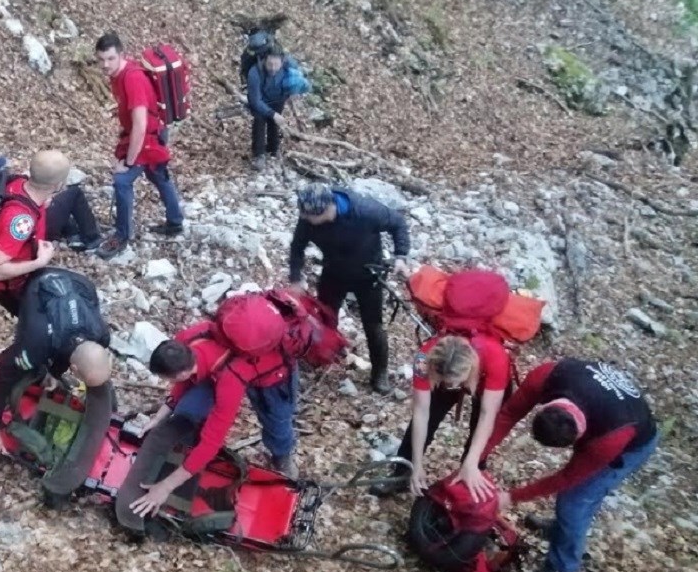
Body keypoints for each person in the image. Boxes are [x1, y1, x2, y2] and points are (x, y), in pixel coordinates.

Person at [471, 359, 658, 572]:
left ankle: (563, 569)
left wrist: (510, 496)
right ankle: (561, 529)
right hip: (605, 410)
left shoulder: (607, 441)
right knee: (571, 504)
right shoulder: (547, 377)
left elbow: (566, 478)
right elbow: (508, 415)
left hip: (633, 442)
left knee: (575, 501)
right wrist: (476, 459)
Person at [122, 320, 300, 523]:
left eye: (169, 379)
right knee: (188, 410)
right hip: (219, 365)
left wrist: (165, 487)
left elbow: (212, 443)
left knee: (276, 423)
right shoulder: (183, 342)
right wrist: (161, 414)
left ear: (182, 371)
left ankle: (283, 454)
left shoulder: (230, 382)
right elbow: (184, 380)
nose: (169, 383)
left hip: (272, 374)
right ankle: (192, 442)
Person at [0, 268, 113, 462]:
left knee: (45, 358)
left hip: (77, 283)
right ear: (74, 370)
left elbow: (72, 347)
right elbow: (2, 380)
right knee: (19, 365)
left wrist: (54, 372)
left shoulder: (101, 334)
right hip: (37, 286)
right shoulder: (34, 347)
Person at [289, 183, 411, 394]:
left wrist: (401, 256)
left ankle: (379, 373)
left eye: (309, 217)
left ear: (326, 210)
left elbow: (398, 223)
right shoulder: (308, 217)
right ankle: (326, 354)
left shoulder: (366, 211)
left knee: (373, 326)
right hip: (333, 272)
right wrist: (295, 277)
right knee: (326, 318)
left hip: (368, 273)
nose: (305, 220)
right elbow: (297, 246)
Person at [371, 334, 509, 498]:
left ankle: (470, 479)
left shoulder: (496, 357)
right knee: (432, 413)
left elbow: (487, 416)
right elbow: (421, 412)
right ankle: (403, 473)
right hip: (446, 372)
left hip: (485, 375)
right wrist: (416, 464)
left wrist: (471, 461)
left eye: (456, 382)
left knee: (480, 434)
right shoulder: (423, 359)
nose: (454, 386)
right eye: (448, 382)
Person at [93, 32, 185, 260]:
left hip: (148, 138)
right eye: (101, 59)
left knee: (122, 181)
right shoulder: (118, 74)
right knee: (158, 176)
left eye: (110, 58)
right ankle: (175, 222)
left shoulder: (132, 78)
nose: (105, 64)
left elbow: (140, 125)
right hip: (153, 131)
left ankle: (122, 235)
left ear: (121, 55)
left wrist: (128, 161)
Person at [0, 150, 74, 316]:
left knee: (75, 196)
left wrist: (42, 202)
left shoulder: (19, 182)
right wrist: (39, 262)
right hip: (12, 286)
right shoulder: (20, 223)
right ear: (58, 185)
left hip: (22, 256)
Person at [0, 154, 102, 253]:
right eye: (6, 168)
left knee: (58, 201)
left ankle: (71, 233)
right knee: (74, 193)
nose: (9, 170)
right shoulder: (7, 184)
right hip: (35, 230)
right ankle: (92, 238)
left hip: (10, 230)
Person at [246, 45, 309, 171]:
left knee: (274, 123)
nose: (273, 68)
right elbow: (254, 101)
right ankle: (259, 155)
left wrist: (294, 91)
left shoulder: (288, 66)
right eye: (270, 64)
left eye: (276, 65)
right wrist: (272, 114)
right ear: (264, 60)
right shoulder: (255, 72)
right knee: (260, 121)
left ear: (282, 61)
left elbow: (298, 80)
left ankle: (273, 149)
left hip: (278, 97)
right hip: (260, 100)